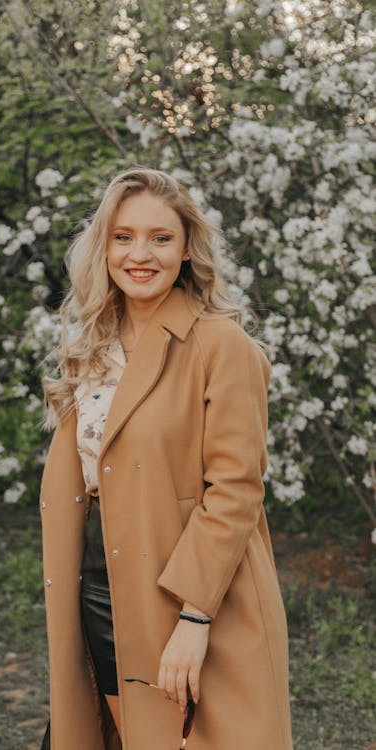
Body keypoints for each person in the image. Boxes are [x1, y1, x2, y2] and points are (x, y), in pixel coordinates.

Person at [39, 167, 293, 749]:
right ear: (104, 247)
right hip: (101, 585)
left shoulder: (223, 345)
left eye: (160, 238)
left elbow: (235, 491)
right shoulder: (91, 346)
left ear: (186, 250)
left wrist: (194, 618)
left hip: (195, 592)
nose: (140, 254)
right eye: (124, 237)